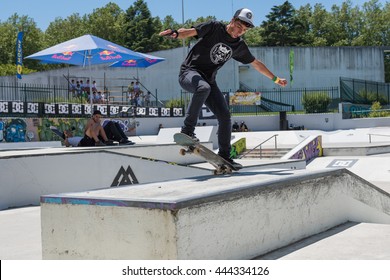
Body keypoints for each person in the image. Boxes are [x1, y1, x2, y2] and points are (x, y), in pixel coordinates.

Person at [159, 8, 287, 169]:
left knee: (225, 116)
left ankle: (225, 156)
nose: (240, 32)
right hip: (189, 73)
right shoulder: (214, 27)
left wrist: (275, 79)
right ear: (233, 20)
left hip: (209, 81)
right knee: (202, 87)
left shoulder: (238, 45)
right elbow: (190, 32)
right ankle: (187, 130)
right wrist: (176, 33)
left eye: (244, 31)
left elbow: (255, 64)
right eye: (239, 27)